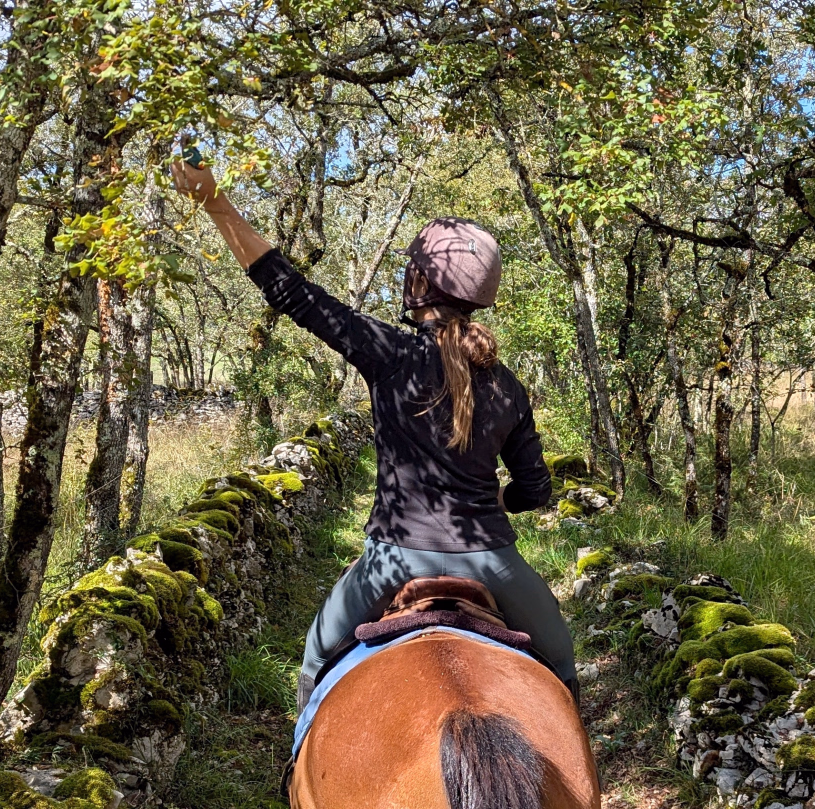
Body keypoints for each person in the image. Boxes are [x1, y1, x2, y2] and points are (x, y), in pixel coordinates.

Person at [171, 158, 576, 707]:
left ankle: (301, 750)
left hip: (392, 560)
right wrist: (495, 500)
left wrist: (215, 202)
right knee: (561, 667)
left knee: (316, 660)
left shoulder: (389, 353)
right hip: (492, 559)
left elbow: (291, 292)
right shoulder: (508, 386)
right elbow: (536, 490)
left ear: (420, 282)